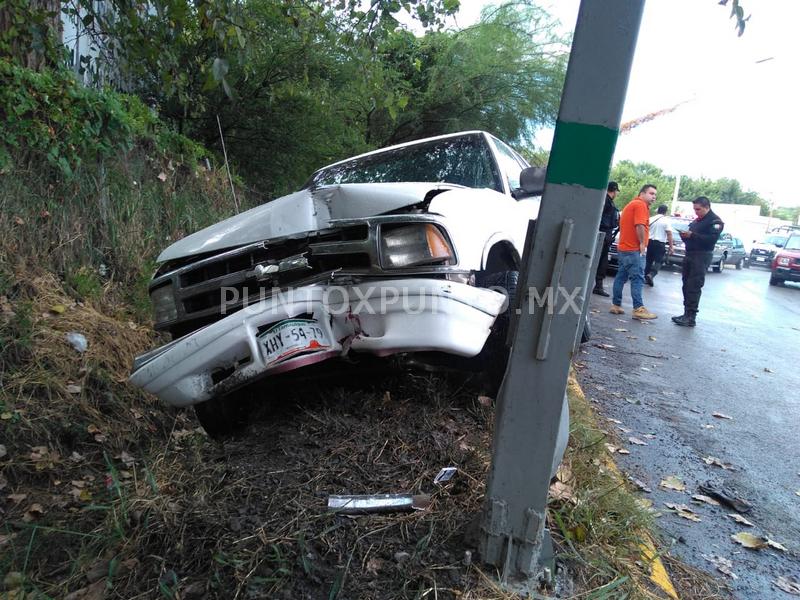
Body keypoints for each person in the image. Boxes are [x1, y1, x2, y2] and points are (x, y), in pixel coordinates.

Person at [672, 196, 724, 327]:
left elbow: (711, 240)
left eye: (698, 209)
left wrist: (692, 235)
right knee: (686, 284)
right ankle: (686, 313)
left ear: (707, 207)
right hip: (690, 254)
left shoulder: (715, 221)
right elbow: (691, 238)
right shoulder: (697, 221)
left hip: (702, 255)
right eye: (694, 209)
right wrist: (684, 236)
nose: (696, 212)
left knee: (694, 285)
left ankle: (691, 316)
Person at [610, 184, 658, 320]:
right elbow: (640, 225)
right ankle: (638, 308)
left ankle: (616, 305)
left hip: (624, 248)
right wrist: (642, 243)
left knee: (621, 276)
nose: (654, 197)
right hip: (634, 249)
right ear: (642, 193)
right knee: (637, 278)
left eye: (655, 194)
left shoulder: (631, 205)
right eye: (651, 193)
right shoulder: (640, 205)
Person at [593, 181, 621, 297]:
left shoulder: (606, 201)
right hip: (603, 233)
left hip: (605, 233)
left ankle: (598, 285)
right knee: (601, 260)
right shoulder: (605, 201)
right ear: (614, 191)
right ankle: (598, 285)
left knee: (602, 260)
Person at [644, 204, 674, 286]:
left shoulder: (651, 219)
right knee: (659, 261)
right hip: (660, 243)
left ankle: (645, 276)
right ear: (666, 211)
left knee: (648, 260)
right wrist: (671, 246)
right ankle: (651, 274)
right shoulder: (666, 221)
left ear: (658, 210)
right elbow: (669, 234)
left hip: (649, 242)